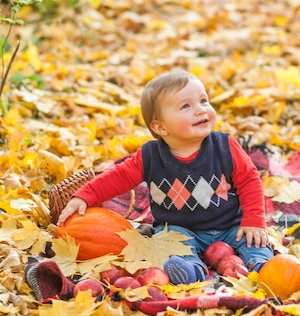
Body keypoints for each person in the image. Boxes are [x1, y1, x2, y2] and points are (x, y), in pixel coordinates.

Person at [57, 70, 274, 284]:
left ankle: (263, 267)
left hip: (230, 226)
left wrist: (254, 220)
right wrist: (85, 196)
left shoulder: (225, 146)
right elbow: (118, 176)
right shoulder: (150, 156)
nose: (200, 110)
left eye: (203, 101)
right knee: (171, 247)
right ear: (160, 127)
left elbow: (249, 181)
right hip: (180, 230)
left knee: (253, 240)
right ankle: (190, 271)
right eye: (186, 106)